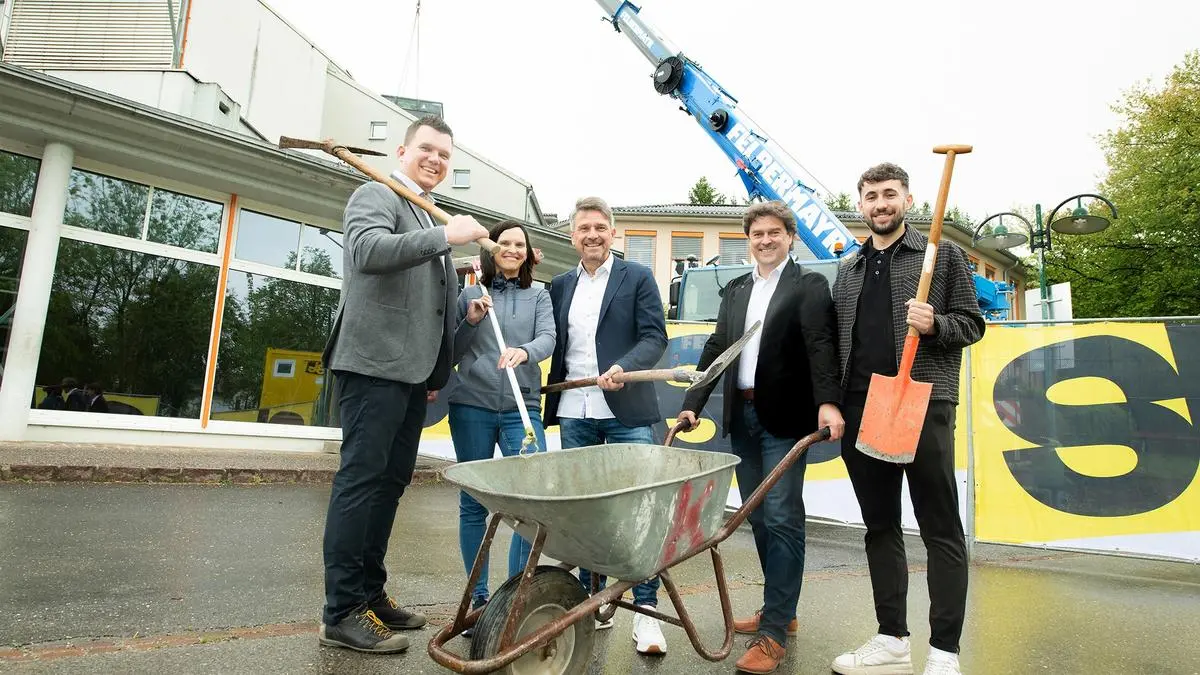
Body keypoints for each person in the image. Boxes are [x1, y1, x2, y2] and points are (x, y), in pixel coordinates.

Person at [318, 115, 490, 655]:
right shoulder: (377, 193)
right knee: (361, 483)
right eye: (427, 150)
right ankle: (340, 611)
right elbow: (367, 252)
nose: (436, 160)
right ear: (402, 150)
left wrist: (457, 274)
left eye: (444, 154)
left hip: (412, 376)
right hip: (374, 368)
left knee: (388, 486)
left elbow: (424, 301)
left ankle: (369, 593)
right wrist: (445, 235)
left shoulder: (420, 210)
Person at [829, 163, 985, 675]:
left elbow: (973, 323)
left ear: (907, 199)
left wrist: (936, 322)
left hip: (924, 401)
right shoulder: (848, 271)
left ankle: (944, 651)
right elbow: (838, 345)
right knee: (880, 526)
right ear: (861, 205)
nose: (880, 204)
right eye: (871, 196)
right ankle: (892, 638)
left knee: (940, 528)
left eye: (889, 194)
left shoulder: (943, 256)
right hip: (863, 406)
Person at [678, 200, 844, 674]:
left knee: (783, 516)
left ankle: (773, 634)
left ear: (790, 237)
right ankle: (782, 611)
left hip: (786, 419)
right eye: (757, 234)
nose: (766, 240)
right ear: (748, 240)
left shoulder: (809, 285)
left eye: (775, 232)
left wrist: (827, 402)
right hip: (743, 416)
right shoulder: (736, 290)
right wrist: (693, 401)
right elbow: (717, 348)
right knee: (758, 518)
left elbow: (820, 345)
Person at [543, 196, 669, 655]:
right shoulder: (558, 285)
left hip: (627, 414)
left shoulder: (636, 277)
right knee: (585, 517)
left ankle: (648, 615)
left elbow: (655, 336)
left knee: (639, 515)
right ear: (572, 236)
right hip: (576, 415)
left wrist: (624, 365)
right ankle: (593, 604)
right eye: (583, 228)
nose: (592, 235)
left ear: (613, 233)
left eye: (600, 227)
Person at [447, 219, 555, 628]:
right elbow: (453, 351)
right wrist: (472, 319)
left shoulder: (539, 295)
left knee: (528, 502)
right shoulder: (473, 293)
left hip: (520, 407)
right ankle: (479, 598)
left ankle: (513, 594)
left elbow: (548, 338)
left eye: (519, 245)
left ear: (527, 254)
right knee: (473, 503)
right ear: (492, 249)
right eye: (504, 243)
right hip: (471, 405)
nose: (511, 249)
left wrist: (524, 352)